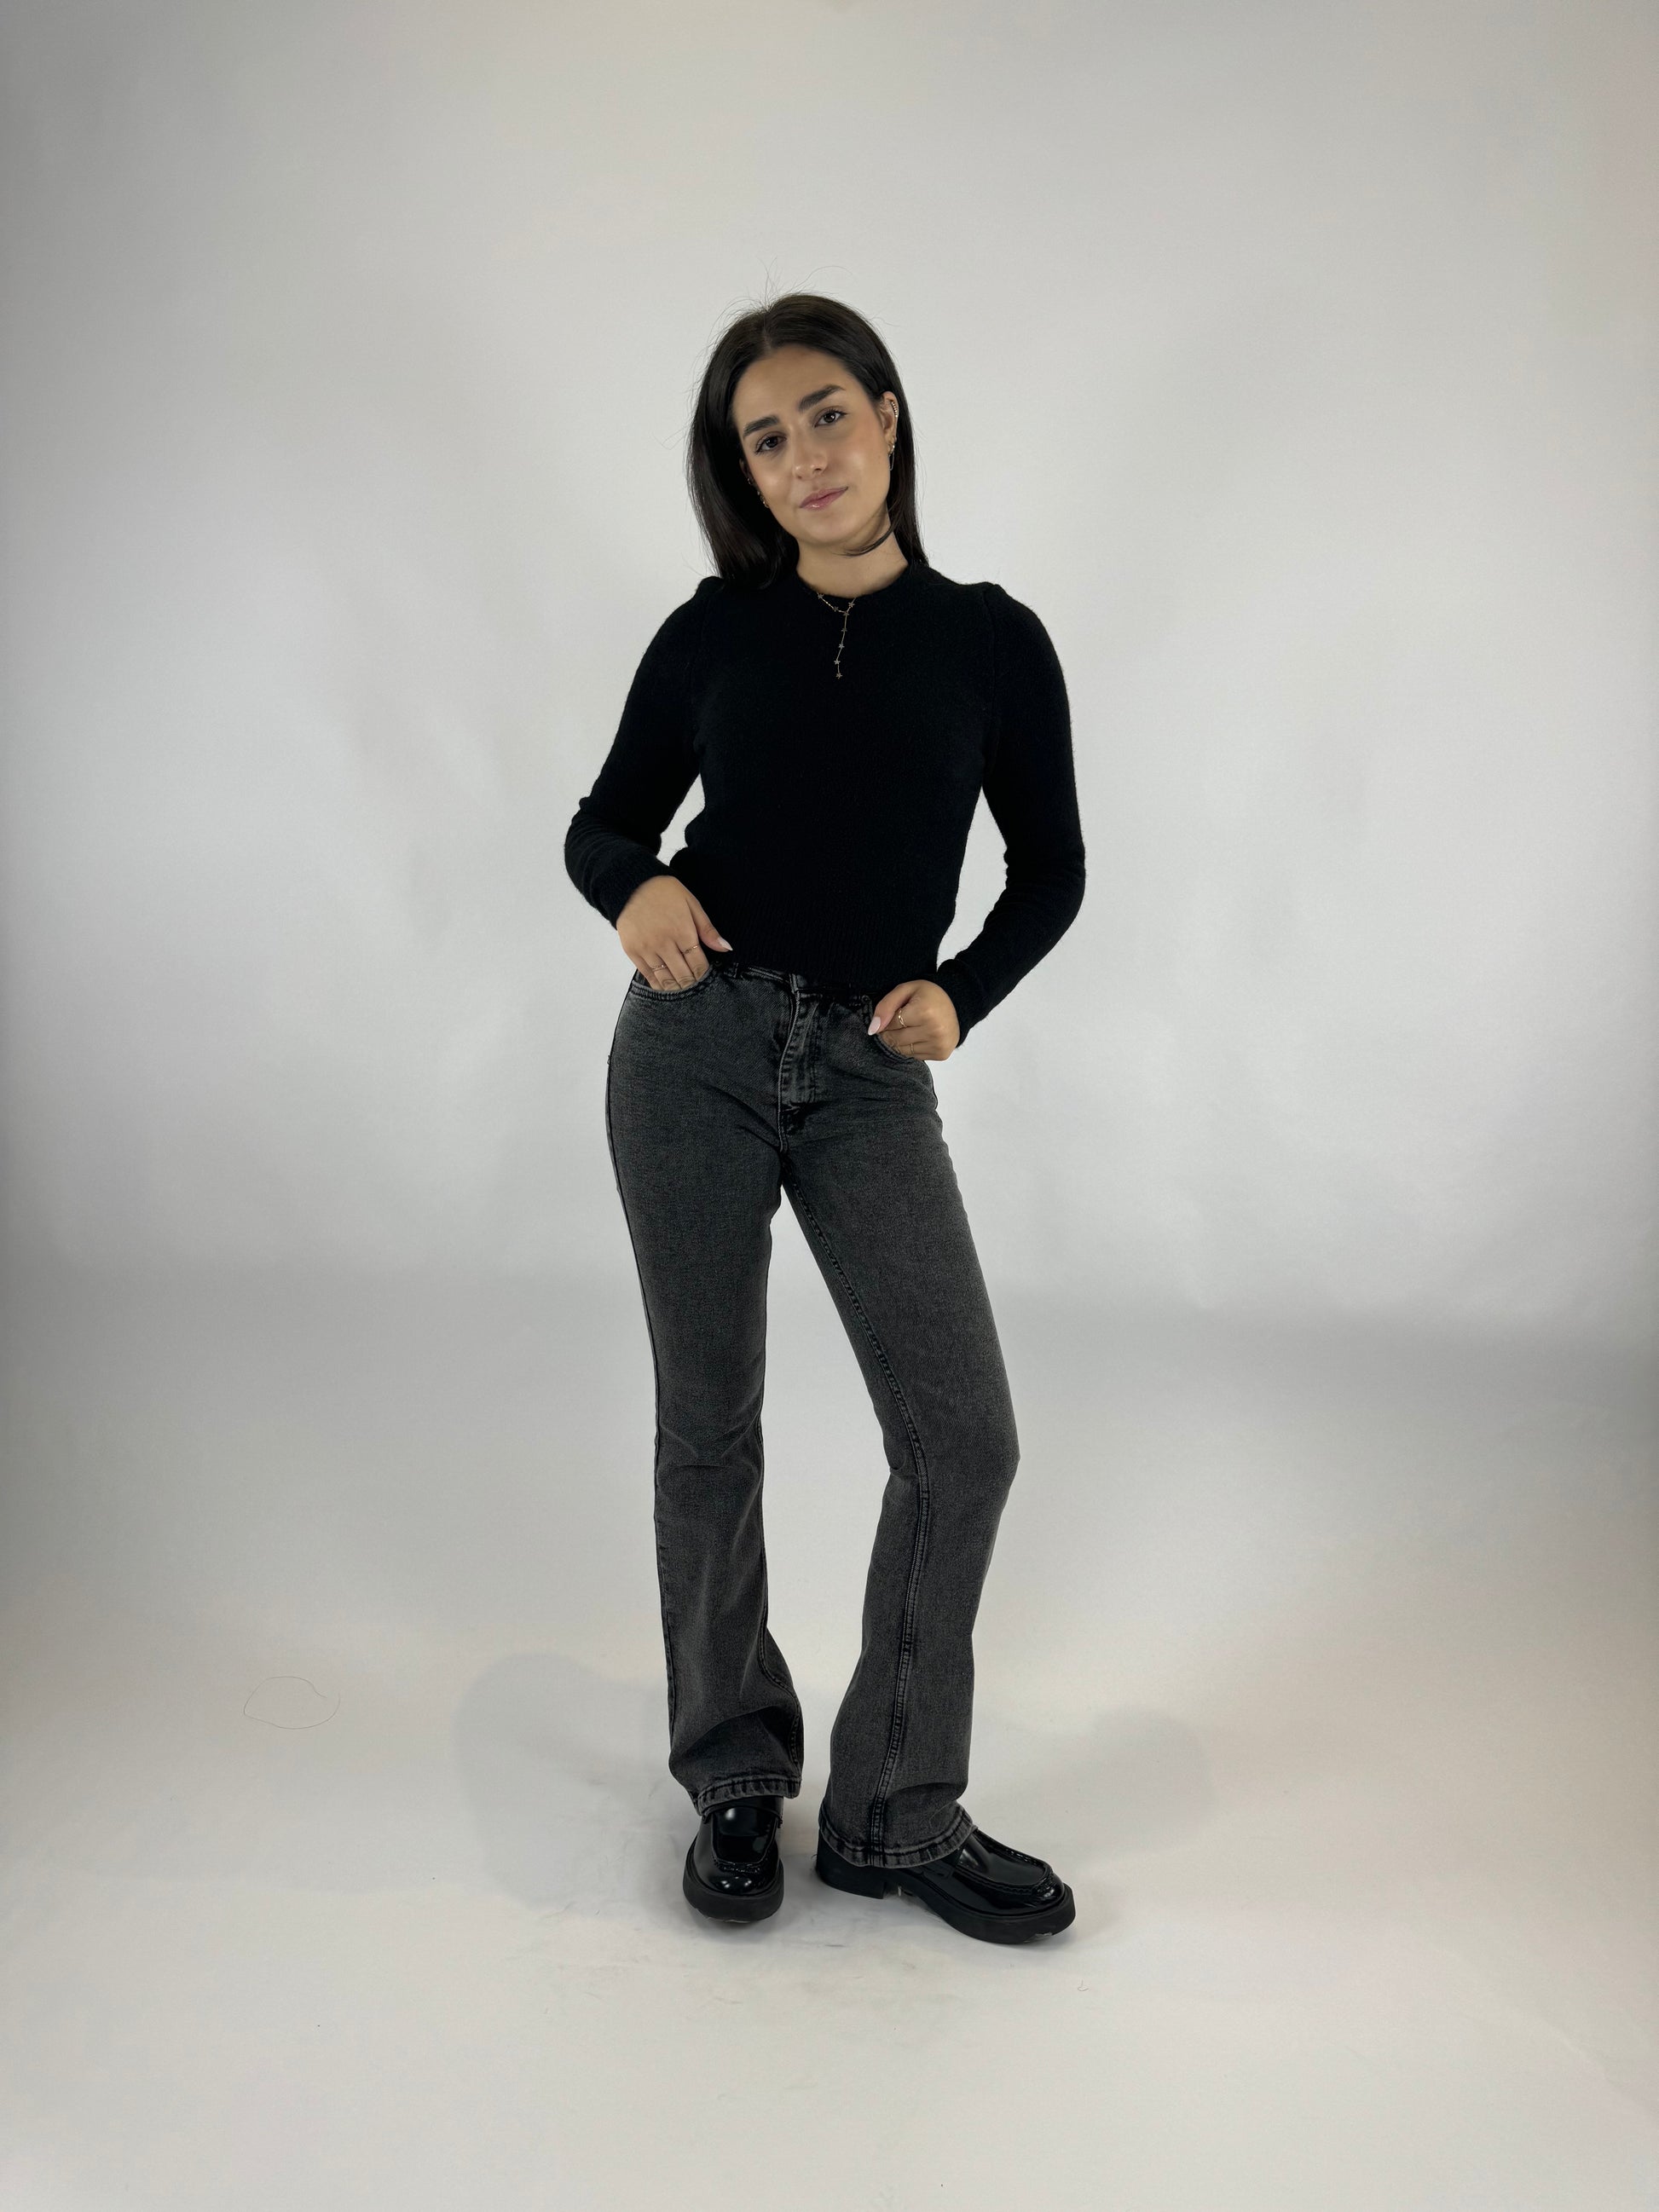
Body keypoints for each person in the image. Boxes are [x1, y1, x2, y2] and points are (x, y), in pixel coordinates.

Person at [564, 292, 1084, 1945]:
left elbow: (1051, 867)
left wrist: (964, 992)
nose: (803, 458)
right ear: (743, 471)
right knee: (709, 1424)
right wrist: (637, 887)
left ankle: (890, 1811)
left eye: (825, 416)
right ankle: (733, 1769)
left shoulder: (992, 641)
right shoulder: (714, 631)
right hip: (693, 1051)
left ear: (887, 415)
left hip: (867, 1074)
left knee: (961, 1437)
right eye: (763, 440)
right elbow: (601, 823)